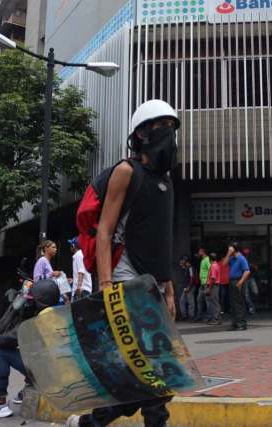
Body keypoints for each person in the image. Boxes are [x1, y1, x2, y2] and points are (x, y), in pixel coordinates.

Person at [65, 99, 178, 427]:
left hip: (153, 284)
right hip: (125, 279)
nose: (169, 134)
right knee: (151, 368)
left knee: (152, 369)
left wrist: (169, 290)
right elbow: (104, 232)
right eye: (162, 127)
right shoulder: (126, 171)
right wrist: (105, 287)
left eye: (173, 128)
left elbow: (162, 239)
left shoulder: (167, 182)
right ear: (141, 134)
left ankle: (91, 423)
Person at [0, 279, 60, 418]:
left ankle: (0, 403)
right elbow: (10, 335)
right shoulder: (54, 314)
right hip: (54, 372)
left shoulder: (41, 319)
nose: (29, 301)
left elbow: (10, 336)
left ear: (40, 300)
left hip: (46, 375)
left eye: (32, 299)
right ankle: (29, 384)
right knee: (28, 350)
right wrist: (15, 308)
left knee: (2, 353)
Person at [222, 242, 251, 331]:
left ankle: (241, 324)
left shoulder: (241, 258)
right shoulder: (232, 258)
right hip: (232, 281)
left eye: (230, 248)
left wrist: (240, 282)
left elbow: (247, 271)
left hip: (238, 281)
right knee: (233, 303)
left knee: (239, 303)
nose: (228, 249)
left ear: (234, 248)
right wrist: (228, 254)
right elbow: (224, 264)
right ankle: (234, 324)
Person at [68, 237, 92, 302]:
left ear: (73, 246)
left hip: (81, 291)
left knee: (79, 311)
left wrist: (78, 287)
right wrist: (74, 280)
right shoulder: (81, 254)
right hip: (83, 289)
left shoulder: (78, 255)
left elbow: (81, 271)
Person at [206, 252, 222, 325]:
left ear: (210, 259)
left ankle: (216, 319)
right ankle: (216, 318)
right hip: (215, 285)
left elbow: (213, 278)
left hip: (213, 286)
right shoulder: (217, 265)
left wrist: (209, 288)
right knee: (215, 302)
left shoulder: (213, 266)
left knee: (214, 302)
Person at [178, 255, 196, 321]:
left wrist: (189, 287)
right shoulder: (186, 267)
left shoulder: (190, 268)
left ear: (186, 261)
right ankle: (184, 315)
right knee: (182, 301)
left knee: (190, 302)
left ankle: (192, 316)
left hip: (190, 287)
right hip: (186, 287)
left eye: (183, 260)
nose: (182, 261)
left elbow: (192, 278)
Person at [195, 246, 210, 322]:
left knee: (207, 300)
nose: (198, 253)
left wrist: (208, 281)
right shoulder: (202, 260)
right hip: (202, 283)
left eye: (199, 251)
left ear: (203, 251)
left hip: (206, 283)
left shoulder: (207, 259)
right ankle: (199, 315)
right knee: (199, 299)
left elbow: (210, 270)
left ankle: (209, 316)